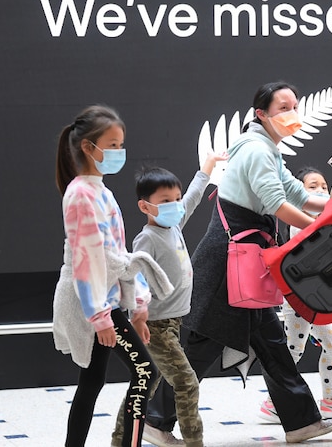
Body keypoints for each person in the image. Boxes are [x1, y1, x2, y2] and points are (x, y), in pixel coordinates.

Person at [146, 82, 332, 444]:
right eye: (283, 107)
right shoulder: (256, 150)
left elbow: (298, 194)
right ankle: (156, 421)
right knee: (202, 345)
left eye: (294, 106)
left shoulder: (266, 148)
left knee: (271, 344)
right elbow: (277, 204)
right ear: (261, 114)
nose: (292, 113)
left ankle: (301, 422)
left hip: (243, 263)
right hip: (227, 265)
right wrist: (323, 228)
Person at [52, 104, 175, 447]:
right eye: (112, 144)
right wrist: (101, 316)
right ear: (88, 148)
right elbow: (86, 260)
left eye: (121, 144)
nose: (119, 152)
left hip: (105, 300)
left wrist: (137, 305)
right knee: (144, 372)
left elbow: (118, 255)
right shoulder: (80, 194)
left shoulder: (100, 191)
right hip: (92, 302)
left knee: (92, 380)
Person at [111, 151, 225, 447]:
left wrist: (208, 168)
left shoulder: (174, 224)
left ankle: (120, 439)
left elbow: (193, 197)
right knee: (186, 383)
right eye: (165, 201)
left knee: (144, 384)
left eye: (175, 198)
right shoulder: (147, 238)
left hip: (172, 323)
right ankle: (193, 442)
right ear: (144, 206)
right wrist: (139, 315)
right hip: (156, 326)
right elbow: (135, 277)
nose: (174, 205)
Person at [258, 166, 332, 423]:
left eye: (323, 186)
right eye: (312, 187)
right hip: (298, 300)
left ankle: (330, 400)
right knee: (293, 351)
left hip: (313, 298)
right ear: (297, 193)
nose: (321, 191)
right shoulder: (299, 222)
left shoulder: (318, 218)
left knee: (331, 344)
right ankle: (273, 404)